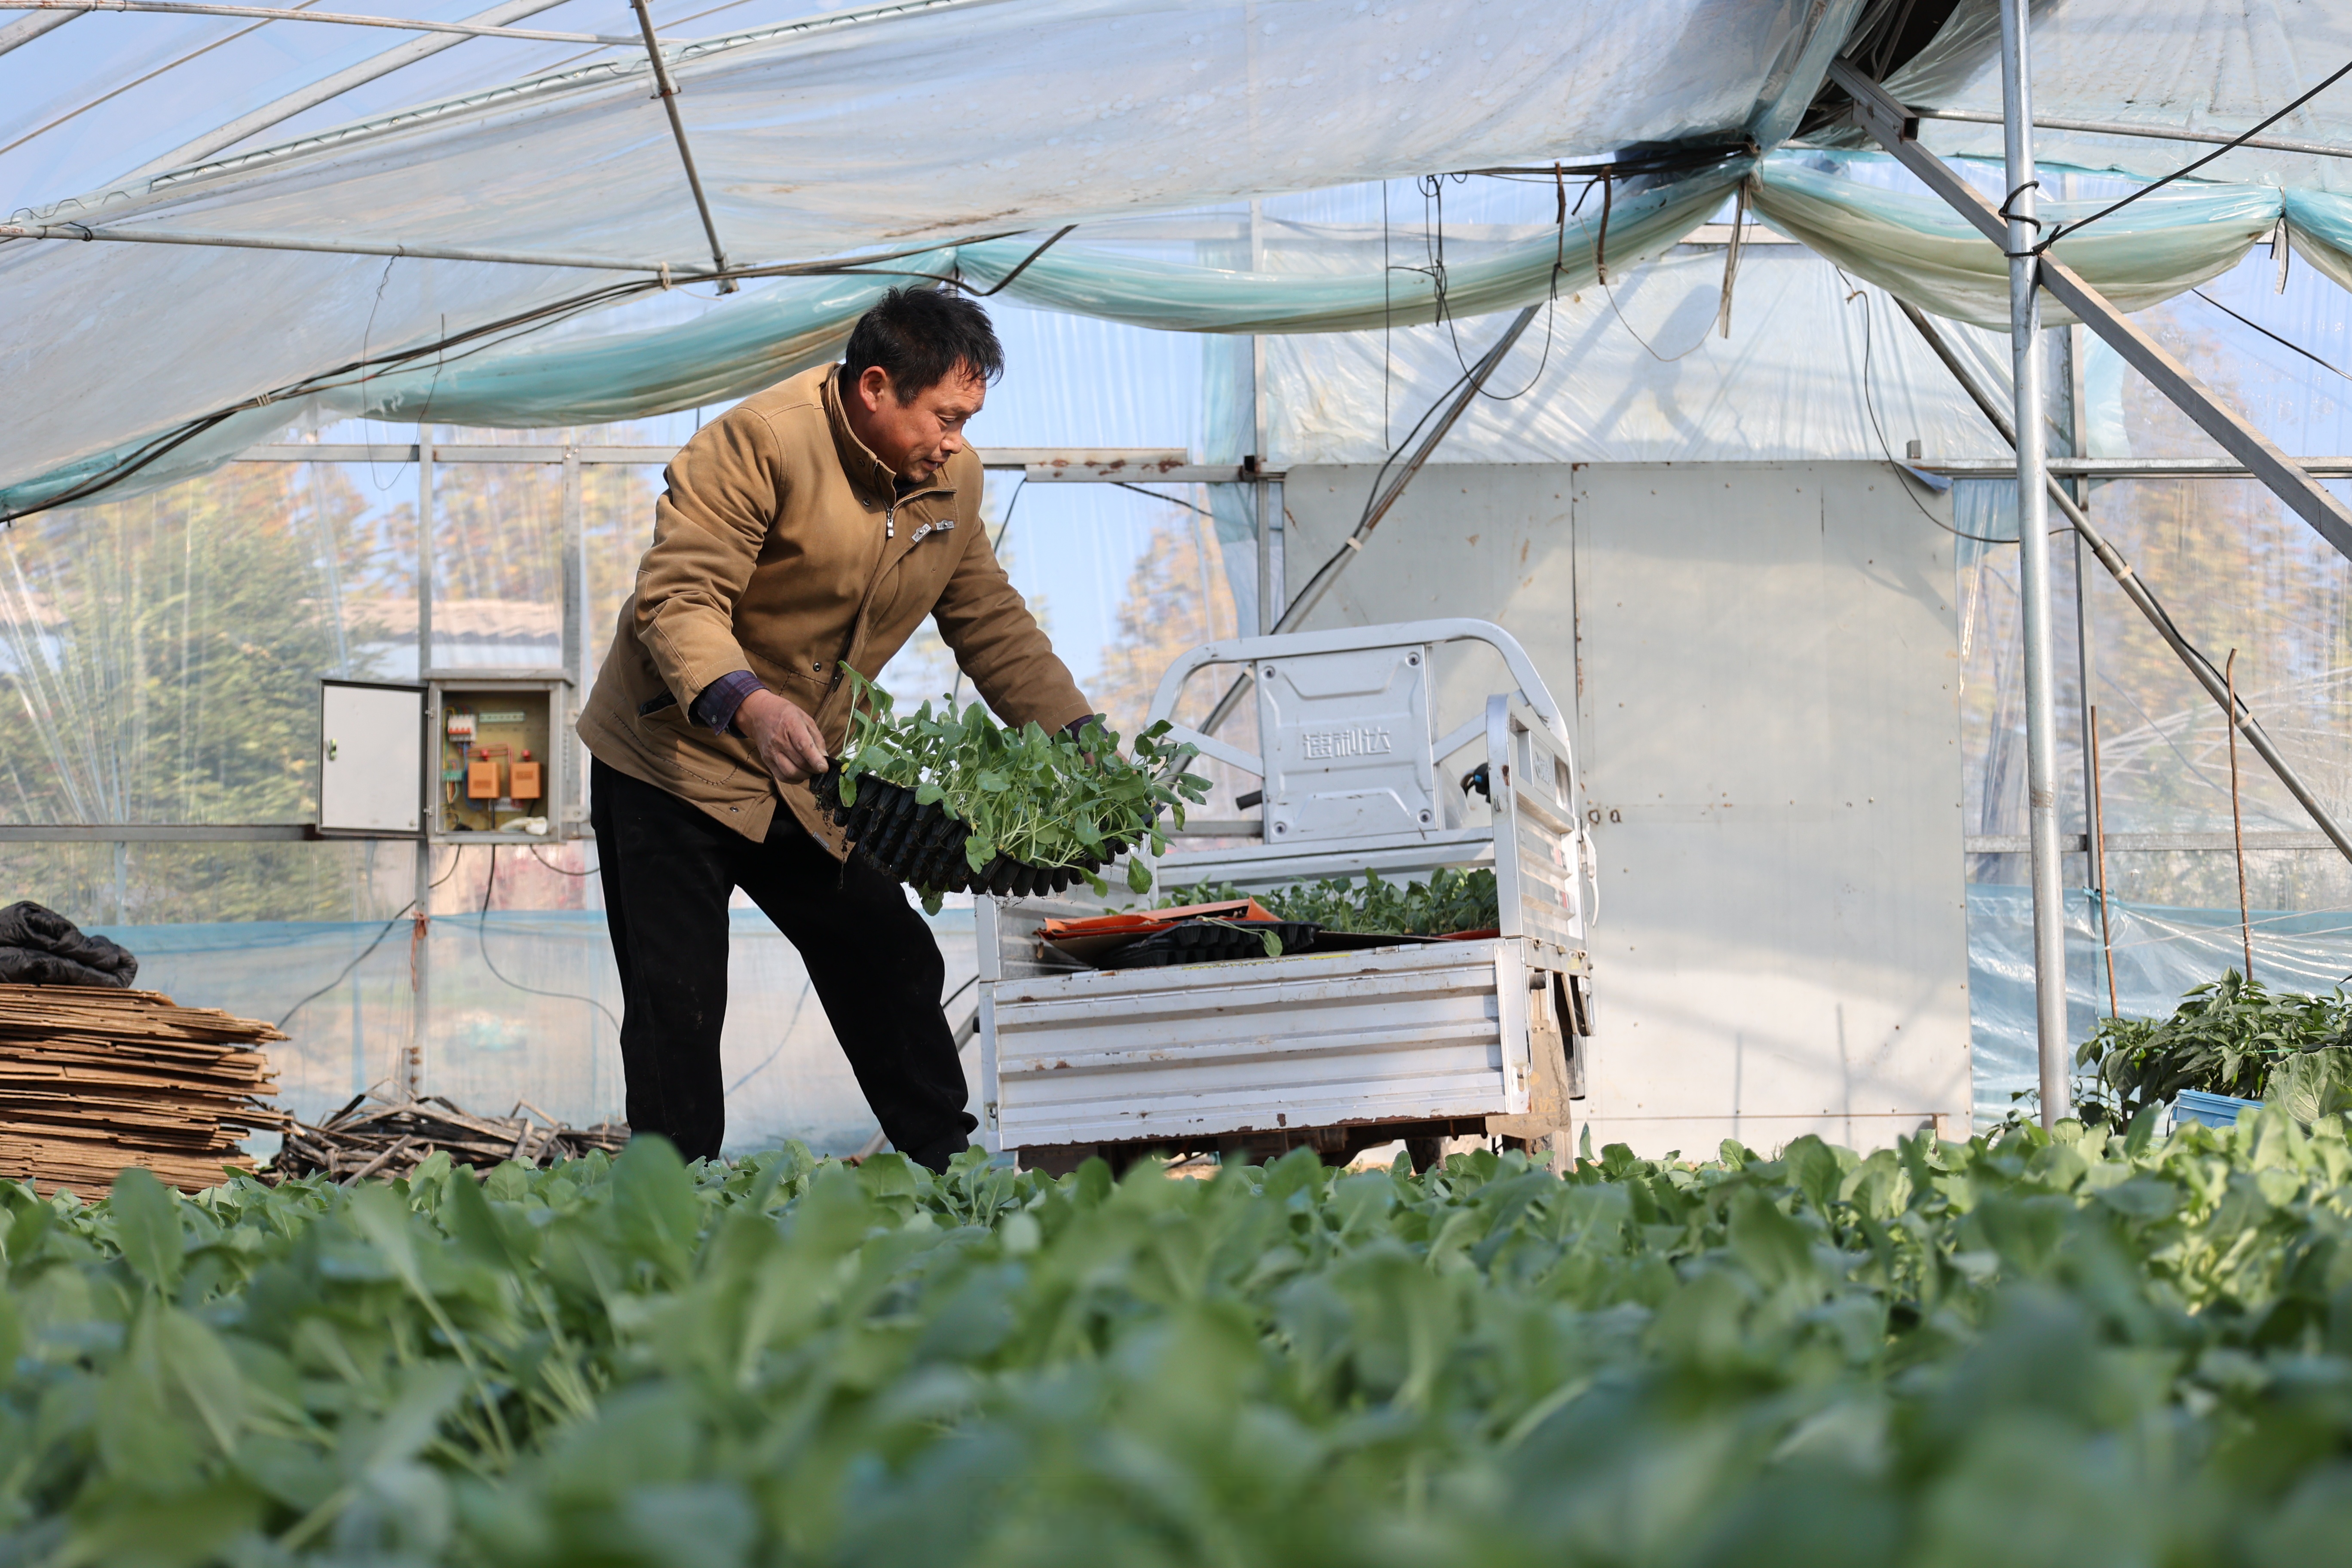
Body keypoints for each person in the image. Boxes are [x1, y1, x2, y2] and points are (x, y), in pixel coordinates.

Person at [576, 287, 1095, 1171]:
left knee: (885, 953)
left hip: (805, 770)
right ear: (876, 388)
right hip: (674, 758)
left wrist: (1081, 745)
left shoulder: (951, 481)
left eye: (970, 418)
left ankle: (948, 1167)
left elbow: (989, 620)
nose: (957, 438)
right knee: (679, 999)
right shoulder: (757, 443)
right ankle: (672, 1199)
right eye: (946, 415)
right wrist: (748, 700)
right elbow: (677, 599)